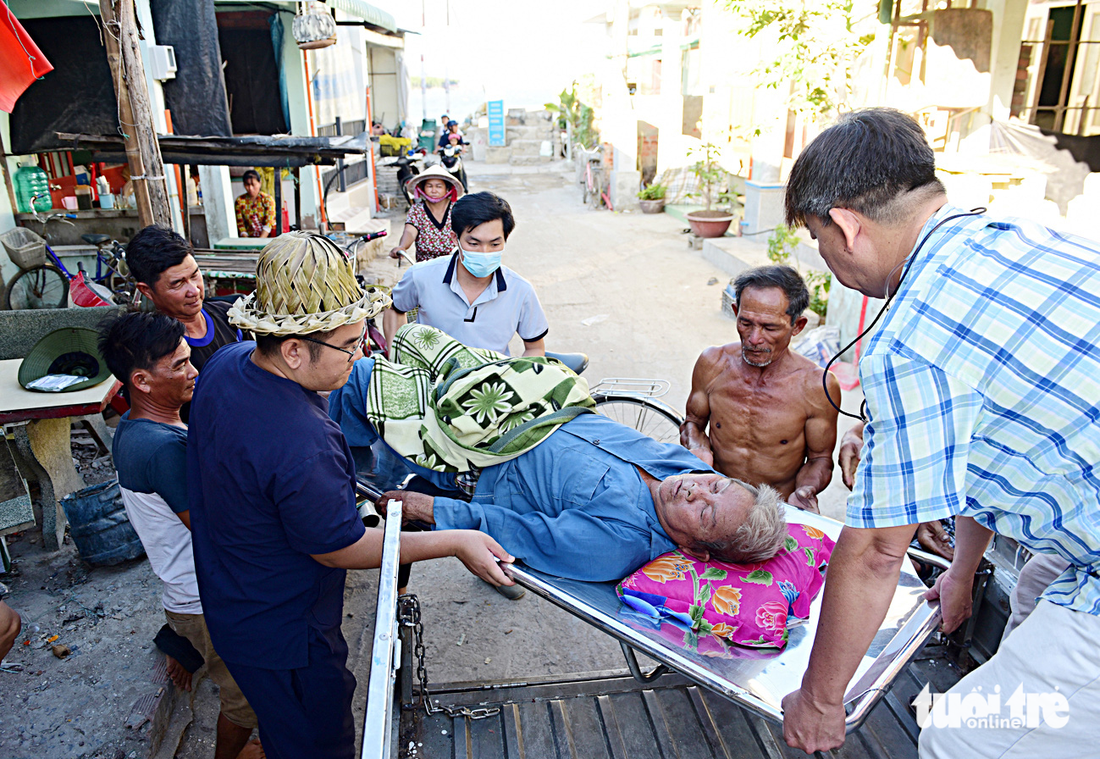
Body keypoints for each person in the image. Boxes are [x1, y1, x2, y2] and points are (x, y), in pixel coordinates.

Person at [778, 108, 1100, 758]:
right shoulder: (1015, 234)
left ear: (845, 225)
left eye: (816, 236)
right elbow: (985, 451)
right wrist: (961, 569)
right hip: (1079, 529)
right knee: (1035, 586)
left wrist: (817, 699)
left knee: (961, 737)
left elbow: (874, 553)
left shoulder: (910, 339)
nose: (822, 253)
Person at [187, 232, 513, 759]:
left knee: (278, 722)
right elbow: (339, 548)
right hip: (285, 631)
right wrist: (455, 540)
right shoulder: (301, 440)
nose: (360, 354)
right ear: (293, 349)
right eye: (349, 344)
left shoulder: (227, 365)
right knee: (315, 741)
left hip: (231, 596)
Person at [332, 360, 789, 583]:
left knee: (359, 379)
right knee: (421, 346)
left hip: (476, 450)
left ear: (696, 549)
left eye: (706, 514)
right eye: (714, 485)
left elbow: (520, 532)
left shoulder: (619, 543)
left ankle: (333, 483)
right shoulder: (686, 471)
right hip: (531, 401)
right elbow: (700, 464)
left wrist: (428, 507)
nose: (695, 490)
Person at [100, 311, 263, 759]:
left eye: (190, 360)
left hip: (187, 593)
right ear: (142, 380)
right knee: (244, 700)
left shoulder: (139, 427)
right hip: (204, 600)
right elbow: (219, 533)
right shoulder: (162, 449)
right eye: (179, 365)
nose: (194, 372)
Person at [681, 265, 839, 513]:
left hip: (775, 511)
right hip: (713, 500)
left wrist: (805, 491)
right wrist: (697, 447)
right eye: (746, 323)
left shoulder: (817, 386)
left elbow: (820, 459)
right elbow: (692, 423)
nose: (754, 338)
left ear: (797, 326)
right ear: (735, 312)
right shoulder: (712, 363)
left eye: (769, 327)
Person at [382, 191, 548, 357]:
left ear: (505, 239)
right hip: (432, 380)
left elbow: (535, 348)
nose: (484, 252)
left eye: (495, 244)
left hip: (490, 379)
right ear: (455, 239)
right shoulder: (420, 276)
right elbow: (394, 309)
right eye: (474, 243)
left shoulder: (521, 291)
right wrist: (397, 359)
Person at [126, 225, 243, 421]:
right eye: (178, 284)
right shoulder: (154, 351)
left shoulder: (230, 316)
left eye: (195, 275)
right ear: (146, 291)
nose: (194, 290)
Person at [388, 166, 463, 263]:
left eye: (439, 186)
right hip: (425, 267)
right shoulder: (417, 210)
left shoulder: (457, 209)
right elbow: (410, 231)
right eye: (429, 186)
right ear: (423, 188)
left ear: (447, 189)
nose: (434, 190)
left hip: (454, 265)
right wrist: (402, 246)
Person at [234, 169, 276, 238]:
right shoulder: (240, 201)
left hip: (269, 237)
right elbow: (240, 224)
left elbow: (269, 223)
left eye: (253, 185)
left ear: (260, 183)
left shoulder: (268, 199)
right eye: (247, 185)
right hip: (250, 238)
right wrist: (248, 243)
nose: (250, 188)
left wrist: (260, 242)